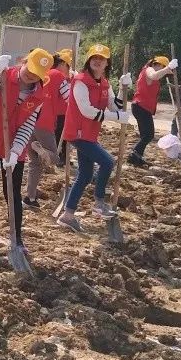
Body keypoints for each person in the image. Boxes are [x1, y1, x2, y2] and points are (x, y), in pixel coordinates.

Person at [0, 48, 52, 255]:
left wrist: (15, 153)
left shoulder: (40, 94)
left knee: (13, 194)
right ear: (24, 61)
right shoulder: (5, 76)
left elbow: (27, 126)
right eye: (30, 68)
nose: (31, 75)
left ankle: (16, 239)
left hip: (15, 147)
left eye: (37, 73)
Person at [56, 43, 133, 232]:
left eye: (102, 59)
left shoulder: (105, 83)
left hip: (90, 134)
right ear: (89, 61)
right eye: (94, 58)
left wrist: (124, 90)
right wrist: (116, 118)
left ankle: (68, 216)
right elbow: (87, 111)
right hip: (78, 133)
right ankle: (99, 202)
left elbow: (114, 106)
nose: (97, 61)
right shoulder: (80, 82)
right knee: (107, 162)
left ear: (107, 63)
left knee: (85, 174)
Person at [23, 48, 73, 210]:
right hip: (44, 123)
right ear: (62, 64)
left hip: (28, 121)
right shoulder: (59, 76)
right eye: (69, 66)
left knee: (35, 163)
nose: (69, 69)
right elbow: (70, 98)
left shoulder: (40, 74)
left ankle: (30, 198)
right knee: (55, 159)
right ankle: (41, 149)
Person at [127, 55, 179, 168]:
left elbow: (159, 76)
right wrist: (168, 68)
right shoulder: (149, 69)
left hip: (143, 107)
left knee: (145, 135)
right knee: (149, 135)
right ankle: (134, 154)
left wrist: (170, 70)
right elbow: (154, 76)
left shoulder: (153, 72)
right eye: (163, 67)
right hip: (141, 106)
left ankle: (137, 156)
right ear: (157, 64)